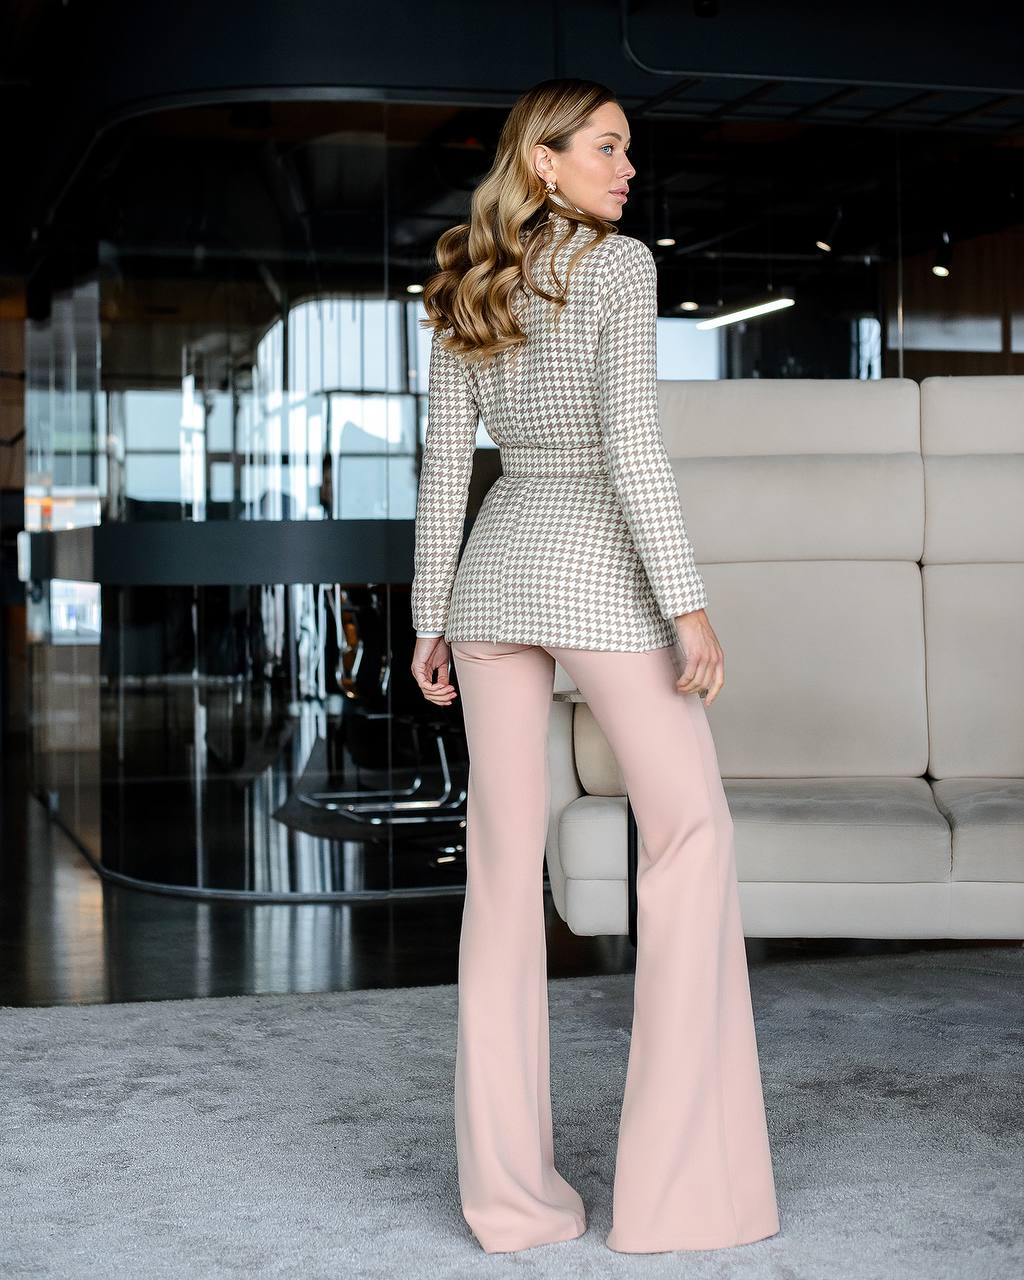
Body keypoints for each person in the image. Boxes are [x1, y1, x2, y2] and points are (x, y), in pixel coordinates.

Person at [408, 78, 781, 1256]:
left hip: (490, 574)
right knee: (691, 834)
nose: (628, 169)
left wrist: (430, 613)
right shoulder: (617, 268)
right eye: (608, 147)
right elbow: (628, 441)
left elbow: (436, 471)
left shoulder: (470, 273)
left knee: (501, 881)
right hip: (591, 568)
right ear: (548, 160)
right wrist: (688, 602)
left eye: (628, 150)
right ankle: (677, 1194)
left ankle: (512, 1208)